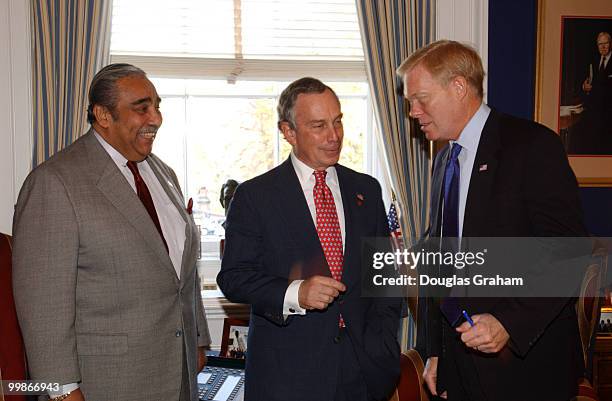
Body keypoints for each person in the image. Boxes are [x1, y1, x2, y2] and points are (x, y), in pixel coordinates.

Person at [397, 40, 587, 401]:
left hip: (525, 367)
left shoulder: (531, 146)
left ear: (458, 87)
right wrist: (435, 350)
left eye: (421, 99)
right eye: (410, 102)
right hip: (460, 362)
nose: (414, 112)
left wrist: (508, 324)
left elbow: (569, 254)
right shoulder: (443, 161)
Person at [12, 64, 211, 401]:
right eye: (142, 107)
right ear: (103, 115)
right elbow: (42, 310)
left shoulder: (164, 174)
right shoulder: (55, 182)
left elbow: (181, 276)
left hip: (177, 375)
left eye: (157, 106)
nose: (156, 118)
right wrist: (60, 390)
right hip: (105, 384)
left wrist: (198, 339)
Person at [217, 77, 402, 401]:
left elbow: (384, 276)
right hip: (288, 376)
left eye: (338, 121)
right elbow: (234, 277)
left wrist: (384, 344)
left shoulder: (366, 190)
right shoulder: (255, 196)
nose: (334, 136)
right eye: (319, 126)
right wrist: (295, 293)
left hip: (363, 372)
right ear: (288, 131)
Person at [575, 31, 612, 154]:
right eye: (600, 44)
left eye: (605, 43)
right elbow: (586, 79)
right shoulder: (594, 60)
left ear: (610, 44)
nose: (602, 47)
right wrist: (584, 86)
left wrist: (594, 89)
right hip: (594, 112)